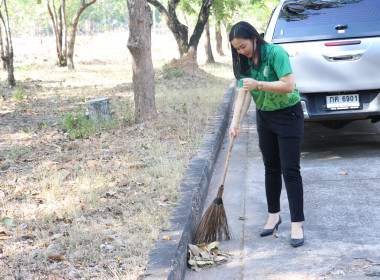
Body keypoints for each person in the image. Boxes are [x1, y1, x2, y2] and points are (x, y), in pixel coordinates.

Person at [228, 21, 305, 247]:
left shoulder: (275, 53)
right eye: (237, 49)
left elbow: (289, 85)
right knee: (271, 168)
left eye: (243, 46)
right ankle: (273, 216)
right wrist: (236, 123)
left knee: (290, 170)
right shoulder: (244, 60)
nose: (242, 51)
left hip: (288, 115)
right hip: (265, 117)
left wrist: (259, 84)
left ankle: (297, 224)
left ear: (253, 36)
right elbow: (244, 93)